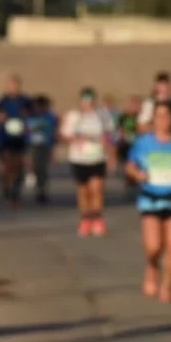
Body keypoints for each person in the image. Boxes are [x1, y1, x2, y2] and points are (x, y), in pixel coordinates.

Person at [125, 101, 171, 303]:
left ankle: (167, 286)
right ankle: (151, 267)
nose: (162, 120)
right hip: (151, 199)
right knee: (153, 247)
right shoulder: (144, 143)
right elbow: (130, 166)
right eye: (158, 116)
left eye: (166, 116)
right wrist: (137, 175)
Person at [61, 87, 116, 237]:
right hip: (79, 159)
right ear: (80, 101)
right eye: (85, 101)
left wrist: (111, 156)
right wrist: (75, 139)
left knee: (96, 189)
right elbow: (64, 135)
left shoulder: (103, 115)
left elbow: (110, 135)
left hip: (97, 158)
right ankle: (85, 220)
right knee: (83, 191)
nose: (88, 104)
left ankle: (97, 219)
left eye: (91, 100)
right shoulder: (74, 116)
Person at [0, 75, 32, 208]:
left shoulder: (25, 101)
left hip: (20, 139)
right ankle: (5, 186)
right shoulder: (2, 101)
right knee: (6, 166)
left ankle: (15, 194)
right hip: (5, 139)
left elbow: (32, 115)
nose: (13, 88)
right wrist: (0, 117)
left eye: (15, 85)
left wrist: (26, 117)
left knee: (19, 166)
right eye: (10, 85)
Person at [25, 95, 59, 204]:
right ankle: (34, 180)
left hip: (45, 145)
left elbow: (54, 134)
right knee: (34, 166)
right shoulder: (30, 117)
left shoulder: (50, 117)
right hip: (32, 145)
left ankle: (41, 190)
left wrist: (54, 151)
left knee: (43, 169)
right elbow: (25, 131)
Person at [116, 95, 143, 196]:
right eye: (132, 104)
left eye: (137, 104)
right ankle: (129, 184)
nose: (134, 106)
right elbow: (119, 129)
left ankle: (135, 185)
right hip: (126, 146)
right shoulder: (123, 116)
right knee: (128, 167)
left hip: (138, 145)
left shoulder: (140, 117)